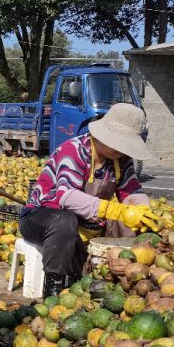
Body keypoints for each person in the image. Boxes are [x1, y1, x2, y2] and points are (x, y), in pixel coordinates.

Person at [19, 103, 159, 297]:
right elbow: (66, 196)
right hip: (41, 218)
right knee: (65, 221)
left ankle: (125, 285)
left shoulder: (121, 160)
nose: (122, 151)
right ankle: (54, 288)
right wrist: (116, 210)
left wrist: (141, 210)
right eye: (119, 144)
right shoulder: (74, 150)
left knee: (135, 227)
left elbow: (131, 190)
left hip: (86, 221)